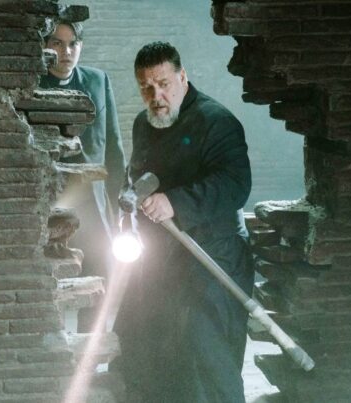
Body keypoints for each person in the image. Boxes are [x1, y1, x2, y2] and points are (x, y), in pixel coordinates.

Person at [111, 41, 254, 403]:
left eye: (163, 84)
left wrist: (175, 202)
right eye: (146, 87)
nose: (156, 96)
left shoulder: (216, 121)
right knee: (144, 343)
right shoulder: (144, 123)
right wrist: (131, 200)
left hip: (215, 255)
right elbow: (137, 176)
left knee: (205, 355)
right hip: (163, 257)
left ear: (183, 77)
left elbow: (236, 184)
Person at [39, 21, 126, 332]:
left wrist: (118, 203)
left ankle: (89, 347)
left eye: (73, 43)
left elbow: (113, 145)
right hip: (51, 205)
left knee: (98, 279)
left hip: (93, 205)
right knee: (50, 282)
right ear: (44, 47)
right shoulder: (31, 83)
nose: (66, 51)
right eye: (57, 43)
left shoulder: (98, 80)